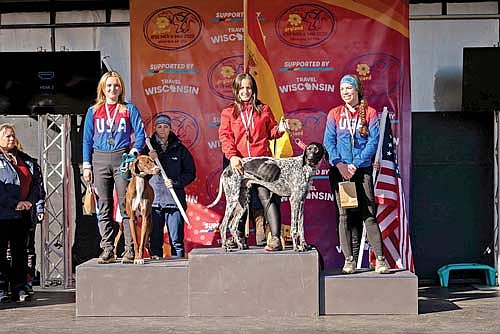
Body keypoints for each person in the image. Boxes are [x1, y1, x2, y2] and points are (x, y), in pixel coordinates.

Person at [323, 74, 389, 274]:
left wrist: (356, 164)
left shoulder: (370, 113)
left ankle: (380, 260)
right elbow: (329, 142)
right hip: (340, 172)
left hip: (361, 171)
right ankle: (349, 260)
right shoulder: (334, 114)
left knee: (368, 214)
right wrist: (340, 164)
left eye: (348, 88)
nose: (345, 92)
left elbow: (373, 142)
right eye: (342, 89)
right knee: (345, 216)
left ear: (357, 90)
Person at [218, 72, 287, 251]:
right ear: (236, 90)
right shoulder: (228, 112)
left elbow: (271, 131)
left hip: (262, 162)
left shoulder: (263, 109)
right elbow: (225, 136)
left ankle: (275, 238)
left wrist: (279, 129)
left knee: (267, 196)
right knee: (239, 200)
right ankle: (236, 236)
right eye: (241, 88)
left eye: (248, 88)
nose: (245, 91)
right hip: (240, 163)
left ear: (253, 89)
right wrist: (232, 156)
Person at [82, 71, 146, 264]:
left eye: (116, 85)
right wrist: (87, 165)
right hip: (99, 159)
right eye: (109, 86)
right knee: (104, 206)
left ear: (121, 88)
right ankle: (108, 249)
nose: (112, 89)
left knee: (127, 207)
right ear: (103, 88)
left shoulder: (128, 109)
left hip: (122, 157)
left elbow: (141, 134)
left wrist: (134, 153)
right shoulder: (93, 111)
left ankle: (129, 249)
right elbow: (86, 139)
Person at [0, 124, 44, 301]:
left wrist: (31, 203)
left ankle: (19, 287)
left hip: (23, 214)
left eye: (13, 136)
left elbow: (36, 184)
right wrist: (15, 203)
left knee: (21, 252)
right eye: (7, 136)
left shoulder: (25, 159)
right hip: (3, 214)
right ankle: (2, 287)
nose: (12, 139)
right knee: (1, 252)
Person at [144, 114, 196, 259]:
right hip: (154, 202)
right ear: (155, 128)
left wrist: (176, 182)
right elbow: (140, 172)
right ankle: (156, 274)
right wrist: (149, 160)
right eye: (159, 127)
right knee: (155, 241)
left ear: (170, 129)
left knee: (177, 241)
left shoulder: (179, 149)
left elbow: (190, 173)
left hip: (174, 202)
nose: (162, 130)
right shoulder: (148, 149)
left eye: (166, 126)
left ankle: (178, 270)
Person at [16, 139, 45, 296]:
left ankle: (27, 280)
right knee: (9, 250)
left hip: (27, 211)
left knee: (28, 248)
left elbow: (38, 187)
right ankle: (8, 282)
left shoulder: (29, 162)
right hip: (8, 210)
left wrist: (39, 206)